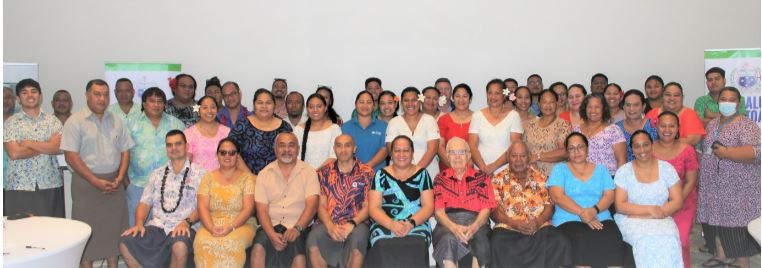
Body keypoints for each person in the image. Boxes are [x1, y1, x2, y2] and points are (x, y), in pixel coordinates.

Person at [61, 79, 134, 268]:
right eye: (97, 94)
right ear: (87, 95)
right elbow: (71, 156)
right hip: (86, 184)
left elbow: (125, 151)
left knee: (113, 231)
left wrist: (120, 176)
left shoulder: (116, 120)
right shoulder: (75, 121)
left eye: (105, 94)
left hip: (114, 184)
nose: (102, 98)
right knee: (86, 232)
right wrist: (94, 180)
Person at [119, 130, 205, 268]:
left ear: (187, 146)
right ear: (166, 149)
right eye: (169, 145)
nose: (174, 148)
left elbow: (203, 206)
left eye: (178, 144)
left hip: (184, 226)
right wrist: (139, 223)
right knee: (125, 242)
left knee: (179, 246)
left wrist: (187, 222)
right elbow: (144, 203)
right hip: (157, 226)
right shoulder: (157, 174)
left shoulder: (201, 174)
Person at [547, 132, 632, 267]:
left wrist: (594, 210)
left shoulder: (601, 170)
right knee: (582, 246)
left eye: (580, 147)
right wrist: (582, 213)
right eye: (571, 148)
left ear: (587, 149)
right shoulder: (559, 169)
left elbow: (609, 196)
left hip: (601, 217)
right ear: (567, 152)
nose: (576, 151)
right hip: (568, 220)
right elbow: (558, 197)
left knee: (612, 242)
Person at [698, 87, 760, 268]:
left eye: (731, 99)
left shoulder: (747, 125)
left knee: (738, 224)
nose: (726, 102)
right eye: (723, 99)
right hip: (713, 184)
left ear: (738, 104)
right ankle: (721, 255)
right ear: (718, 103)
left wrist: (727, 153)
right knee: (715, 220)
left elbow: (757, 153)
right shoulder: (712, 124)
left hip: (738, 187)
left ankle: (742, 262)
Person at [491, 142, 571, 267]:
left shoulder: (541, 178)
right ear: (508, 156)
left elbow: (549, 205)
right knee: (496, 242)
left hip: (539, 227)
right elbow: (494, 210)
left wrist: (538, 222)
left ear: (529, 157)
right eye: (514, 156)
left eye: (522, 156)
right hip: (509, 228)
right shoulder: (497, 179)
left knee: (559, 240)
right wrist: (513, 223)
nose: (518, 160)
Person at [613, 130, 684, 267]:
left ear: (652, 146)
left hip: (661, 216)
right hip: (630, 219)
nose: (642, 150)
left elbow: (677, 201)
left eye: (645, 145)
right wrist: (651, 210)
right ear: (632, 149)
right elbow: (620, 206)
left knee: (669, 238)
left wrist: (657, 213)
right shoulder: (624, 171)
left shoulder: (667, 168)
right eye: (637, 146)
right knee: (644, 239)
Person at [252, 132, 319, 268]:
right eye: (282, 146)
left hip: (299, 226)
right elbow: (261, 210)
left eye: (291, 146)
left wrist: (297, 229)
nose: (287, 150)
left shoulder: (309, 172)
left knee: (299, 258)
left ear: (298, 149)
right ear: (275, 149)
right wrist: (271, 234)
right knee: (258, 249)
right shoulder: (264, 174)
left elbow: (312, 205)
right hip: (270, 226)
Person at [366, 135, 434, 268]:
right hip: (385, 224)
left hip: (416, 224)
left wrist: (410, 224)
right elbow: (373, 208)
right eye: (397, 150)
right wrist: (391, 224)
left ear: (412, 153)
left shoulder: (423, 174)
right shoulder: (380, 175)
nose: (401, 154)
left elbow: (428, 206)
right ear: (391, 154)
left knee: (416, 243)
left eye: (406, 150)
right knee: (381, 243)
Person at [308, 135, 373, 268]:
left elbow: (368, 206)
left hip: (357, 223)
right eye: (339, 146)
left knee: (358, 242)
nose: (343, 150)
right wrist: (330, 226)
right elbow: (321, 206)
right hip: (328, 222)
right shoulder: (324, 173)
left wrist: (352, 224)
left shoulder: (367, 172)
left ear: (354, 148)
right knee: (313, 240)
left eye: (347, 145)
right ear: (334, 149)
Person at [4, 78, 65, 217]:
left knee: (50, 232)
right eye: (24, 93)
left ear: (40, 95)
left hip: (50, 183)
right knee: (21, 232)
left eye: (34, 91)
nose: (30, 95)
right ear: (18, 98)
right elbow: (14, 153)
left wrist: (29, 143)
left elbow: (58, 148)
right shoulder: (11, 123)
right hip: (19, 186)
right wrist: (46, 144)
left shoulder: (53, 121)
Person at [125, 87, 186, 226]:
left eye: (160, 101)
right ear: (144, 104)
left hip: (169, 186)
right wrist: (127, 184)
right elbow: (123, 153)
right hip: (137, 185)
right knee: (137, 228)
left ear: (165, 104)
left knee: (165, 228)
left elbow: (184, 155)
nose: (156, 105)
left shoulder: (176, 124)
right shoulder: (130, 124)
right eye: (152, 101)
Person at [193, 138, 257, 267]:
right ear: (217, 155)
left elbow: (248, 209)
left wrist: (230, 227)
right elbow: (202, 207)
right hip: (211, 223)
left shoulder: (247, 178)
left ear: (237, 156)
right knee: (203, 242)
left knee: (230, 243)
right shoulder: (208, 177)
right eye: (223, 152)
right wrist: (211, 228)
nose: (227, 156)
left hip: (240, 224)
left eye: (232, 153)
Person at [432, 137, 495, 268]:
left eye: (461, 152)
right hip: (448, 223)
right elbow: (439, 212)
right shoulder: (440, 178)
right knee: (447, 239)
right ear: (447, 157)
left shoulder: (481, 177)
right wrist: (454, 228)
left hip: (477, 221)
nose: (457, 157)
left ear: (468, 155)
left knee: (481, 238)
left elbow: (486, 209)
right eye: (452, 153)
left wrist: (474, 227)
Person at [652, 111, 699, 268]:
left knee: (681, 240)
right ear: (656, 127)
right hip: (655, 204)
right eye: (663, 125)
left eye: (672, 126)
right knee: (657, 241)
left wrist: (675, 203)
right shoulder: (648, 149)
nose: (667, 129)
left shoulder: (687, 150)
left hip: (684, 202)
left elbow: (691, 181)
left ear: (678, 128)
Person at [228, 88, 292, 175]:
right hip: (246, 179)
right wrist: (251, 178)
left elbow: (291, 154)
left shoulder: (285, 127)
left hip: (278, 181)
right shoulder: (242, 125)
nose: (264, 106)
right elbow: (231, 151)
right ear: (254, 105)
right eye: (260, 103)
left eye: (268, 103)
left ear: (274, 105)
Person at [468, 79, 522, 175]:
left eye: (497, 93)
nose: (493, 97)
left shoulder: (514, 116)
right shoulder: (477, 115)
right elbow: (472, 145)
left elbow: (515, 147)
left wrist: (492, 167)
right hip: (481, 170)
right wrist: (484, 168)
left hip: (505, 171)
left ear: (504, 95)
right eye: (490, 93)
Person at [386, 87, 440, 177]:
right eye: (406, 100)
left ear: (419, 101)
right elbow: (391, 150)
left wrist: (415, 172)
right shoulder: (394, 122)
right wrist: (407, 173)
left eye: (414, 100)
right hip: (399, 173)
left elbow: (433, 149)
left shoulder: (429, 120)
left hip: (428, 172)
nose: (410, 104)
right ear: (402, 103)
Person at [573, 93, 626, 177]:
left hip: (607, 181)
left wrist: (618, 184)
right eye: (590, 107)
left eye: (597, 107)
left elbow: (622, 161)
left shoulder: (614, 130)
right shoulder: (576, 130)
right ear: (585, 109)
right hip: (581, 179)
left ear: (603, 109)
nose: (593, 111)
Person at [523, 89, 571, 177]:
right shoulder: (530, 124)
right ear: (539, 104)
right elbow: (524, 150)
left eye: (551, 102)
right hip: (531, 174)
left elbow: (565, 152)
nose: (548, 105)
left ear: (556, 103)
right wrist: (530, 161)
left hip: (555, 175)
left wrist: (538, 156)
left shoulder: (563, 124)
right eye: (544, 102)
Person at [645, 82, 706, 146]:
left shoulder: (690, 114)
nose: (672, 98)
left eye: (676, 95)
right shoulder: (651, 114)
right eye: (668, 95)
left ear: (682, 97)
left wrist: (662, 144)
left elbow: (693, 139)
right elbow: (644, 138)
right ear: (662, 96)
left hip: (683, 155)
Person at [342, 91, 387, 171]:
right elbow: (343, 152)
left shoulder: (383, 126)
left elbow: (385, 150)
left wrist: (365, 167)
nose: (365, 105)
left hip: (377, 174)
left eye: (369, 102)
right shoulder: (345, 127)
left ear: (374, 105)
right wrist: (357, 170)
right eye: (361, 102)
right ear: (356, 105)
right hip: (352, 174)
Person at [295, 93, 342, 169]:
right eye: (311, 107)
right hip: (304, 176)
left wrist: (316, 172)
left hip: (328, 175)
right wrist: (308, 174)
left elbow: (334, 155)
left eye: (319, 106)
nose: (315, 110)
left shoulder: (334, 129)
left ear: (325, 108)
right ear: (307, 109)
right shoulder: (298, 130)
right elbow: (296, 156)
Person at [185, 96, 231, 171]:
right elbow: (187, 162)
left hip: (222, 179)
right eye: (205, 108)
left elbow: (233, 159)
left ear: (217, 110)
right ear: (199, 111)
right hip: (197, 180)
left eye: (213, 107)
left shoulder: (227, 132)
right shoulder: (189, 133)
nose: (209, 111)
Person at [436, 83, 473, 170]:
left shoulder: (478, 118)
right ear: (453, 98)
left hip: (472, 168)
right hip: (448, 168)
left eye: (465, 96)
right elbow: (440, 146)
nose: (461, 100)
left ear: (470, 99)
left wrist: (467, 167)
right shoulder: (443, 119)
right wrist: (453, 166)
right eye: (457, 96)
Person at [616, 89, 659, 161]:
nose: (631, 109)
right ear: (623, 107)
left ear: (643, 107)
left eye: (636, 105)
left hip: (652, 169)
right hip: (624, 171)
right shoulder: (616, 129)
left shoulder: (653, 126)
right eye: (628, 105)